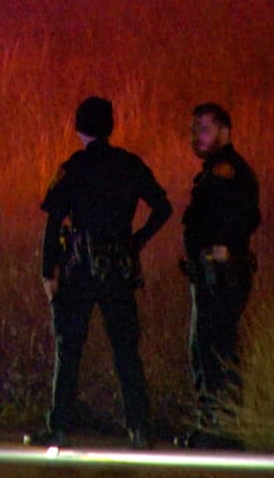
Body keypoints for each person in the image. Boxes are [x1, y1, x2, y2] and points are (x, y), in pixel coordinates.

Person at [26, 97, 172, 450]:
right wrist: (136, 241)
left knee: (69, 350)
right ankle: (138, 428)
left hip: (78, 270)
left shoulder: (73, 167)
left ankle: (59, 427)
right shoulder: (129, 164)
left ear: (78, 128)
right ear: (111, 126)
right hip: (118, 270)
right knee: (126, 350)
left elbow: (52, 221)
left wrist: (48, 271)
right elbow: (162, 207)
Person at [177, 103, 260, 450]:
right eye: (195, 128)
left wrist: (227, 246)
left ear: (225, 131)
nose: (197, 135)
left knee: (217, 348)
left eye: (205, 128)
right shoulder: (213, 171)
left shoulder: (231, 170)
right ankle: (212, 422)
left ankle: (225, 426)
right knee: (204, 349)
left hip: (223, 273)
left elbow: (248, 216)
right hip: (208, 272)